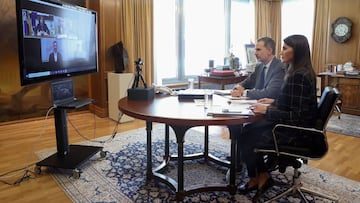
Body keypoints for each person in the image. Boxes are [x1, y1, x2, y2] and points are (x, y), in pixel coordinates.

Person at [237, 35, 318, 201]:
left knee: (248, 135)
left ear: (298, 51)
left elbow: (297, 117)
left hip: (296, 132)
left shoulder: (298, 76)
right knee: (249, 130)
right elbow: (294, 102)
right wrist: (274, 101)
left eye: (285, 48)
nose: (281, 52)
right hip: (292, 125)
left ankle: (260, 177)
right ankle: (259, 177)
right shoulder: (297, 71)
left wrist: (266, 111)